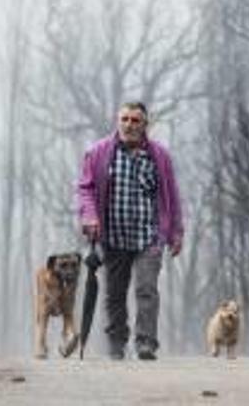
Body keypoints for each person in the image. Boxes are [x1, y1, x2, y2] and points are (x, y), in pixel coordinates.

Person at [76, 102, 184, 360]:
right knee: (115, 292)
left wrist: (176, 232)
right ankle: (116, 341)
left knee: (146, 289)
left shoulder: (159, 156)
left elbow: (172, 195)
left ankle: (146, 342)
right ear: (117, 121)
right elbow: (85, 188)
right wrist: (89, 216)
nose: (129, 125)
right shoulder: (99, 153)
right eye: (124, 119)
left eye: (136, 121)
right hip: (114, 235)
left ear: (145, 125)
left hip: (150, 235)